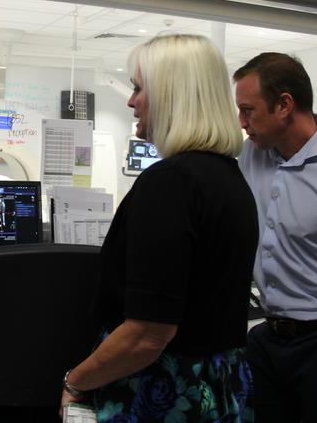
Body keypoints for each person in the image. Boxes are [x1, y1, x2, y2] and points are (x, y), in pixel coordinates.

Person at [60, 34, 258, 421]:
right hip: (219, 388)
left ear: (173, 94)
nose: (131, 101)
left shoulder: (170, 182)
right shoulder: (229, 178)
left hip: (162, 392)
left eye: (138, 88)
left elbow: (147, 334)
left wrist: (75, 382)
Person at [233, 52, 317, 423]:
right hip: (270, 336)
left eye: (249, 111)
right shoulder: (252, 155)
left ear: (284, 105)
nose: (242, 123)